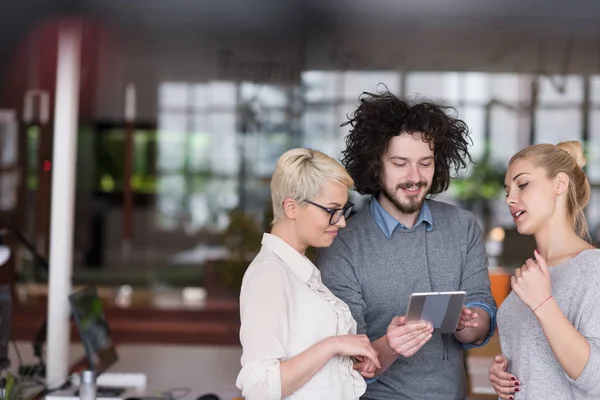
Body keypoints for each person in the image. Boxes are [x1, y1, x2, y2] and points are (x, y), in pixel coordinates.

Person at [314, 90, 497, 400]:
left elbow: (481, 305)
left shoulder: (462, 226)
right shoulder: (342, 244)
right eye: (400, 163)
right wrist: (389, 346)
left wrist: (472, 323)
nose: (415, 177)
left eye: (425, 163)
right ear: (376, 164)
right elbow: (344, 363)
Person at [237, 148, 408, 400]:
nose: (341, 222)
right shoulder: (269, 274)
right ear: (292, 207)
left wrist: (370, 352)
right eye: (331, 210)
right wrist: (333, 345)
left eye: (343, 210)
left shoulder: (299, 272)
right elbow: (259, 386)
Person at [488, 141, 600, 399]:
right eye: (507, 190)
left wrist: (543, 303)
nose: (510, 198)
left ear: (559, 184)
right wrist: (503, 375)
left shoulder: (593, 270)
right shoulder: (532, 274)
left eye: (523, 184)